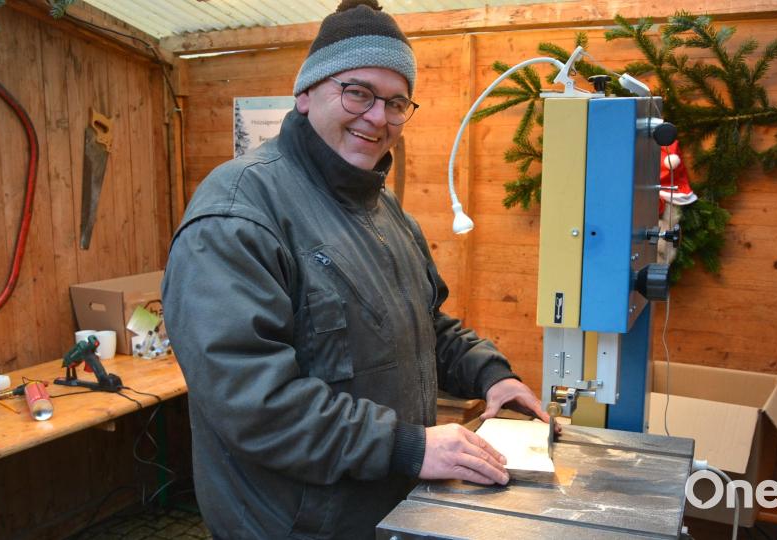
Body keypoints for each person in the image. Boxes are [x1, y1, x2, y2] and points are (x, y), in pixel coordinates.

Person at [162, 0, 549, 537]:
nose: (377, 117)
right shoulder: (238, 214)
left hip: (380, 509)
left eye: (396, 102)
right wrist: (407, 446)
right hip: (291, 521)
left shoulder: (383, 210)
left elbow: (426, 324)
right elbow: (253, 402)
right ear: (305, 94)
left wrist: (491, 374)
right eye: (358, 92)